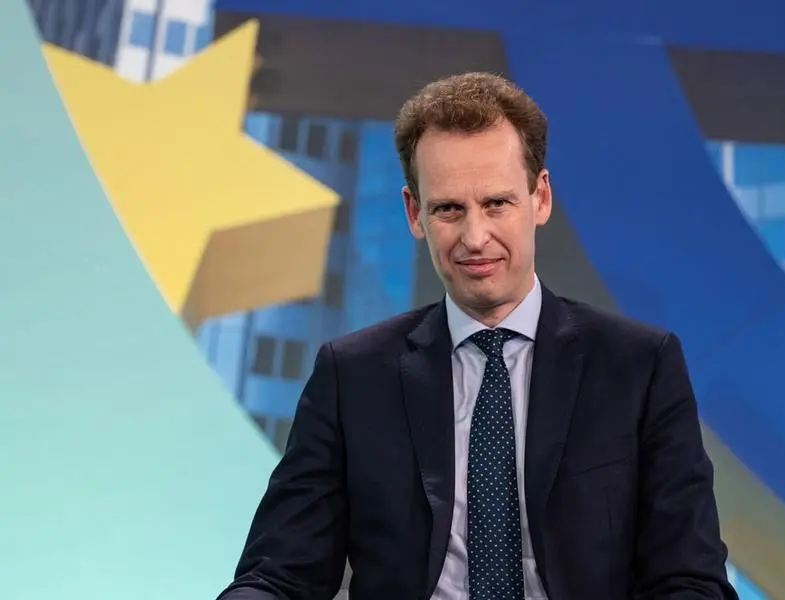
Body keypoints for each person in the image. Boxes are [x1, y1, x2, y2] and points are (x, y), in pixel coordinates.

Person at [216, 72, 738, 600]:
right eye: (449, 209)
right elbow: (278, 575)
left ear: (540, 197)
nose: (475, 237)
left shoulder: (640, 368)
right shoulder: (352, 376)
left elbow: (689, 579)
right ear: (414, 213)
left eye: (496, 203)